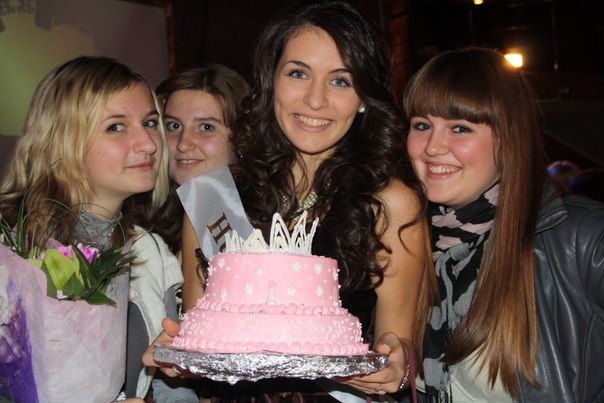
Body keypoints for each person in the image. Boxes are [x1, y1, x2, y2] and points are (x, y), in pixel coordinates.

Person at [145, 0, 436, 401]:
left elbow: (397, 342)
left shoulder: (389, 204)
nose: (315, 100)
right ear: (271, 81)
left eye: (340, 81)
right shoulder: (212, 195)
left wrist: (394, 366)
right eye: (298, 73)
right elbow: (203, 342)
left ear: (364, 97)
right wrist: (179, 356)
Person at [403, 47, 604, 402]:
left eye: (460, 128)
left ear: (510, 138)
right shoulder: (408, 242)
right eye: (422, 125)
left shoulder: (581, 237)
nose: (432, 147)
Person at [0, 56, 170, 402]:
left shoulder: (149, 251)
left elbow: (168, 390)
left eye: (150, 122)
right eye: (116, 127)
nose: (149, 143)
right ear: (61, 138)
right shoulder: (10, 250)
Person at [136, 64, 249, 402]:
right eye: (173, 126)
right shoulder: (139, 222)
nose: (184, 143)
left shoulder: (267, 228)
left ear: (243, 136)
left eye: (206, 127)